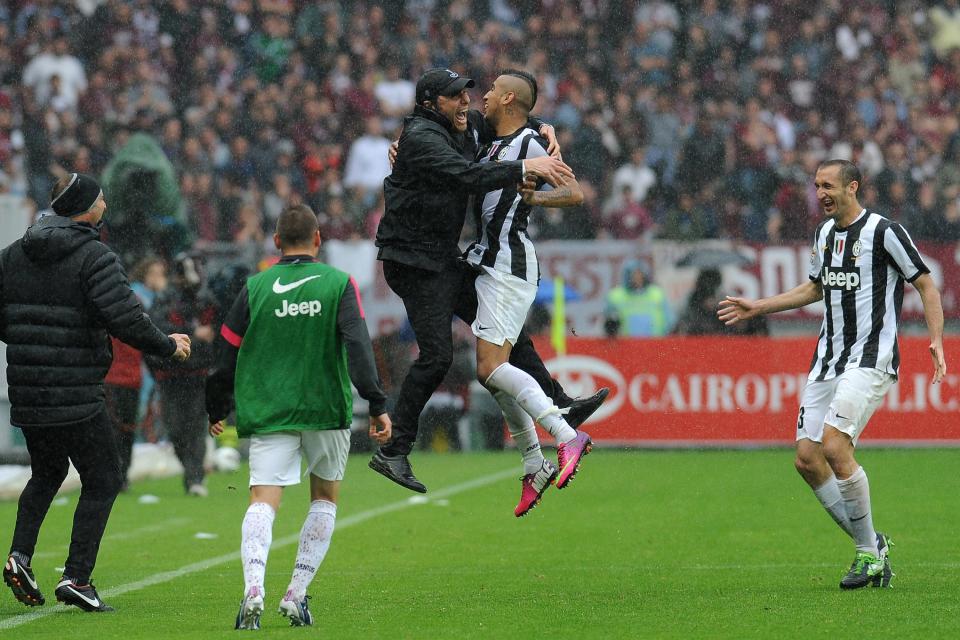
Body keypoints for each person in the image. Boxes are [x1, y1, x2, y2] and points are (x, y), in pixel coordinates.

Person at [371, 67, 607, 493]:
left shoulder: (459, 126)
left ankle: (558, 414)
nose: (468, 103)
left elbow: (509, 118)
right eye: (456, 97)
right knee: (443, 356)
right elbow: (467, 176)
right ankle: (393, 452)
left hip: (443, 259)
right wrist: (525, 167)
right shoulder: (424, 139)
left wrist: (539, 124)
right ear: (430, 104)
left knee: (506, 342)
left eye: (471, 94)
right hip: (414, 263)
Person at [718, 159, 946, 590]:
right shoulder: (823, 234)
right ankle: (873, 546)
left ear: (852, 187)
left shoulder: (884, 232)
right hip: (827, 360)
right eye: (816, 186)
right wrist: (758, 306)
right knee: (807, 460)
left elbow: (925, 283)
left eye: (828, 185)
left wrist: (935, 339)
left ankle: (867, 555)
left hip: (870, 357)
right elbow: (815, 289)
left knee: (835, 445)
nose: (820, 193)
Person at [1, 172, 190, 612]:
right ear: (86, 208)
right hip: (77, 388)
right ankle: (77, 577)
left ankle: (19, 556)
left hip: (28, 389)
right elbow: (125, 318)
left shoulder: (12, 255)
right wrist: (168, 345)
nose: (105, 204)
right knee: (103, 478)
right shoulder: (94, 256)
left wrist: (33, 345)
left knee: (46, 474)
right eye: (101, 198)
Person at [206, 204, 391, 629]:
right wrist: (377, 402)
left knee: (262, 500)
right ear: (318, 240)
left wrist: (216, 405)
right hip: (325, 408)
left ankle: (253, 588)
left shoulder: (255, 287)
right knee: (324, 497)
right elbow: (359, 346)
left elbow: (225, 352)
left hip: (272, 409)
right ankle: (295, 594)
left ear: (275, 243)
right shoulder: (338, 284)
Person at [465, 70, 591, 517]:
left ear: (510, 98)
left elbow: (575, 193)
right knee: (493, 371)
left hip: (509, 264)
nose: (484, 95)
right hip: (487, 262)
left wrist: (536, 200)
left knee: (489, 366)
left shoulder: (531, 145)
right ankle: (533, 463)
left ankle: (564, 434)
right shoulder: (494, 142)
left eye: (493, 89)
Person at [147, 253, 220, 496]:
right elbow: (155, 331)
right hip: (170, 376)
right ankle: (192, 471)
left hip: (198, 374)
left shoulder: (208, 301)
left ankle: (195, 477)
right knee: (175, 428)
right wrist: (192, 332)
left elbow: (218, 334)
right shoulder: (165, 300)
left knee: (195, 426)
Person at [604, 259, 674, 337]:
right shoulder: (616, 296)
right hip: (626, 345)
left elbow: (669, 319)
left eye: (640, 274)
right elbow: (609, 323)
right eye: (634, 274)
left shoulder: (657, 294)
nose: (637, 278)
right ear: (628, 276)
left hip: (655, 344)